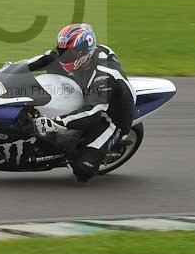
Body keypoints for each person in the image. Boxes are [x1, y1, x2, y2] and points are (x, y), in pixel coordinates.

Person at [27, 23, 136, 182]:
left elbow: (93, 112)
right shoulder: (79, 56)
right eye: (62, 50)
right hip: (87, 92)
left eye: (68, 53)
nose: (63, 56)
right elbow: (49, 57)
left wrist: (58, 121)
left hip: (111, 116)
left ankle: (82, 152)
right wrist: (15, 68)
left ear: (83, 52)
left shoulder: (103, 77)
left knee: (82, 170)